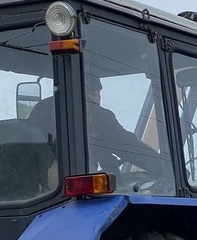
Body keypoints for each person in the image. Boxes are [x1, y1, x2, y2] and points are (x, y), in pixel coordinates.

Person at [30, 74, 165, 177]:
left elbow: (99, 151)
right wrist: (165, 167)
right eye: (98, 94)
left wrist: (109, 162)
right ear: (92, 93)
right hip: (74, 184)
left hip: (40, 182)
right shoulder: (94, 114)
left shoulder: (41, 107)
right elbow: (127, 146)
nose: (99, 98)